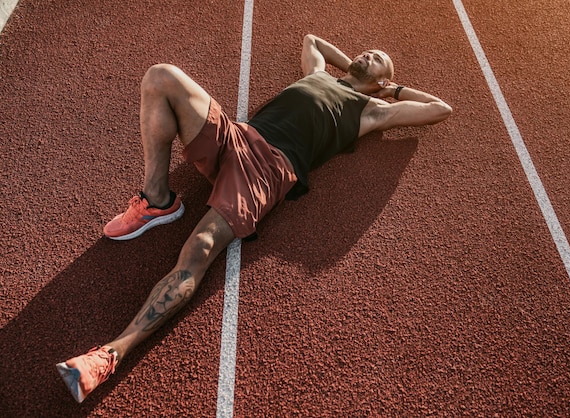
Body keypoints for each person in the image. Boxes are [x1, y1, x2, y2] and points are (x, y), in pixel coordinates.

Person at [55, 34, 452, 403]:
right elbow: (311, 39)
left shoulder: (370, 112)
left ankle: (108, 355)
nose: (369, 54)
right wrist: (352, 69)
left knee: (200, 248)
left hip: (267, 171)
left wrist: (388, 90)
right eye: (368, 51)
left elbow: (439, 109)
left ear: (382, 83)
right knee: (161, 76)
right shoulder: (317, 74)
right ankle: (158, 200)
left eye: (378, 59)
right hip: (238, 137)